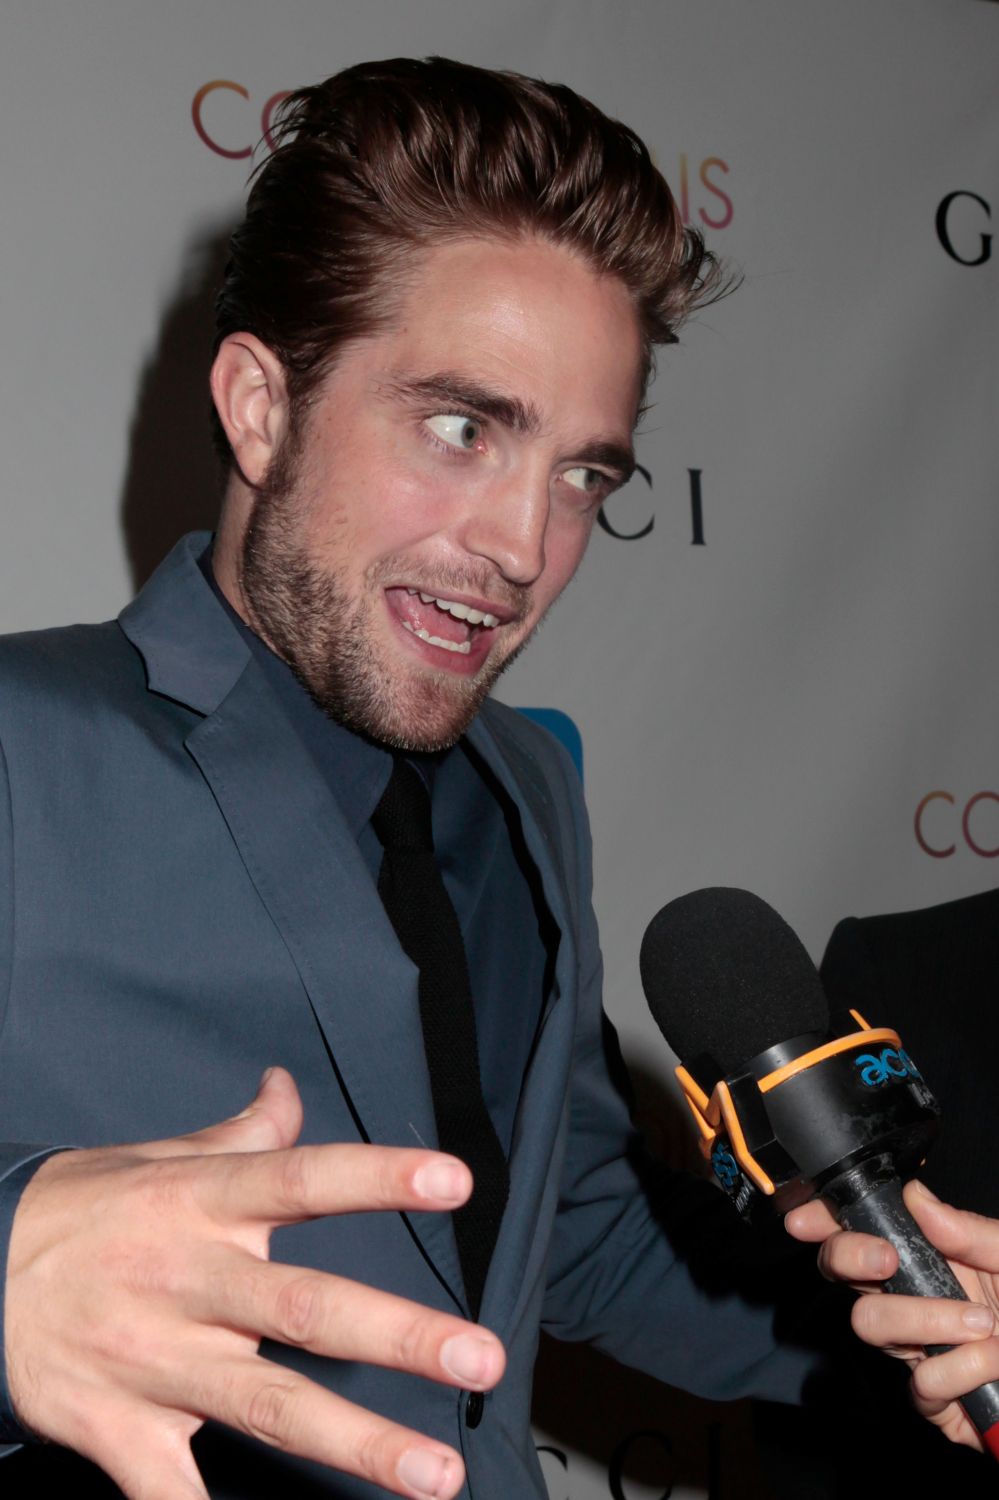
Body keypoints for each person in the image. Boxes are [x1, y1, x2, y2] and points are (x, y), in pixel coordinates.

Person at [0, 56, 818, 1500]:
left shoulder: (525, 789)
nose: (522, 547)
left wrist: (900, 1326)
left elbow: (565, 1228)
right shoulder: (21, 749)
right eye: (463, 428)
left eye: (582, 476)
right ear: (260, 409)